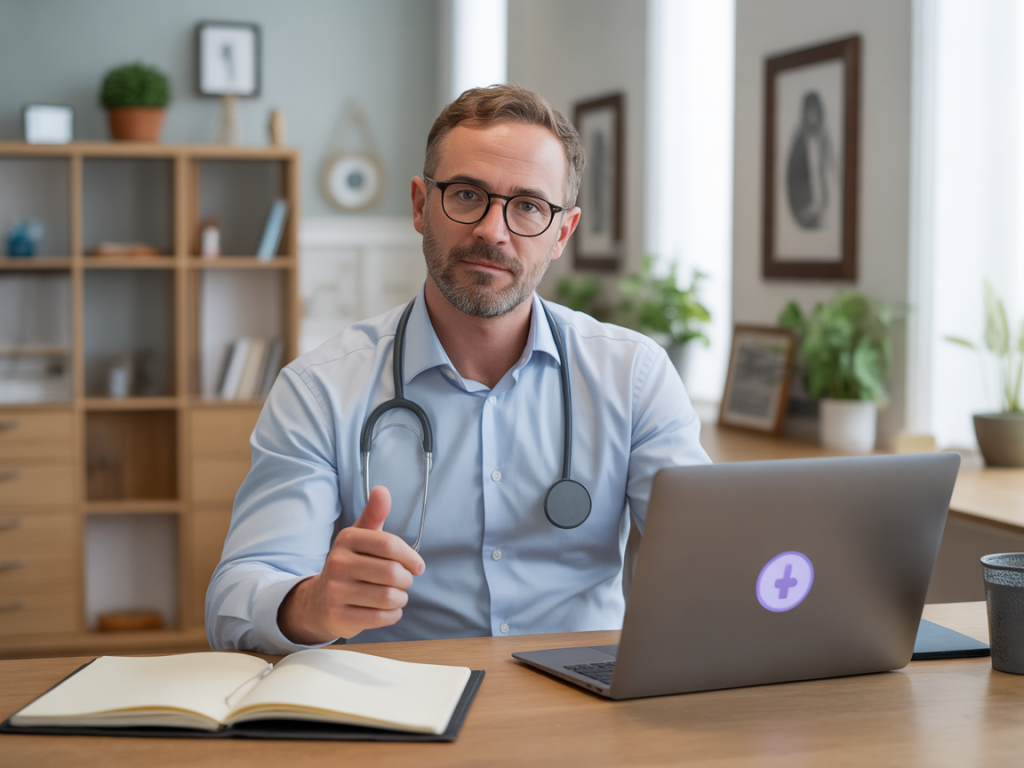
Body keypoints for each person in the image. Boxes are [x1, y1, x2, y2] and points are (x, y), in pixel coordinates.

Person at [206, 85, 710, 654]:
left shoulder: (634, 377)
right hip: (398, 707)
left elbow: (709, 558)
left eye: (527, 206)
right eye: (468, 195)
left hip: (584, 711)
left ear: (562, 233)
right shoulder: (320, 390)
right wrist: (313, 604)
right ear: (421, 206)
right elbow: (237, 597)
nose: (493, 231)